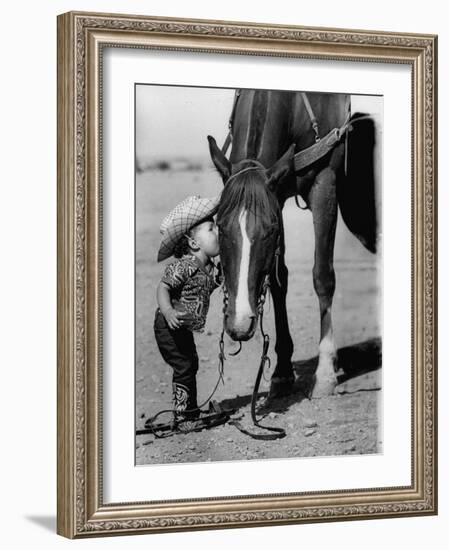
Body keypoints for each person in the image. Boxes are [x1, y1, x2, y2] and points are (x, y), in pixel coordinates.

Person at [153, 195, 222, 429]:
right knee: (184, 366)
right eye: (212, 229)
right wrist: (168, 311)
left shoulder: (210, 268)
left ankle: (189, 410)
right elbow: (163, 288)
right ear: (194, 243)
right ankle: (182, 417)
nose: (218, 233)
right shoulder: (185, 265)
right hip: (168, 324)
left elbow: (221, 280)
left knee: (190, 363)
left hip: (182, 327)